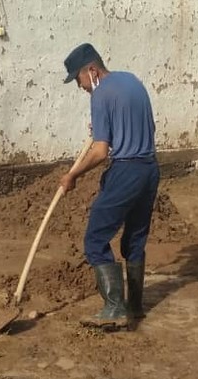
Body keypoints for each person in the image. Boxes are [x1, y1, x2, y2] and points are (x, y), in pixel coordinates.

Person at [58, 43, 160, 329]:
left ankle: (114, 308)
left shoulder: (101, 94)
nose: (80, 87)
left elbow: (100, 152)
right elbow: (147, 128)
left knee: (95, 239)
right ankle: (135, 307)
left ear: (92, 70)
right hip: (150, 169)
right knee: (135, 238)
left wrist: (73, 174)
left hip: (126, 171)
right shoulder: (132, 81)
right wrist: (110, 128)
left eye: (78, 79)